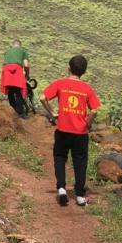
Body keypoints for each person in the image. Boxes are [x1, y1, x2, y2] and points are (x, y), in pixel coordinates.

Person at [40, 55, 100, 207]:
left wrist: (52, 113)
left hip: (62, 130)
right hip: (80, 133)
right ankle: (79, 196)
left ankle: (61, 188)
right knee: (80, 162)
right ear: (84, 72)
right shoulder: (87, 88)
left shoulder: (60, 83)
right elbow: (94, 110)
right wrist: (87, 124)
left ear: (69, 68)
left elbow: (42, 97)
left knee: (60, 157)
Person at [0, 39, 31, 118]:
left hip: (6, 70)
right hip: (17, 69)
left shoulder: (7, 52)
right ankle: (20, 113)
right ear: (20, 45)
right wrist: (27, 74)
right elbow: (26, 65)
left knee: (10, 90)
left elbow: (4, 63)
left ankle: (13, 109)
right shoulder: (23, 51)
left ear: (13, 45)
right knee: (18, 91)